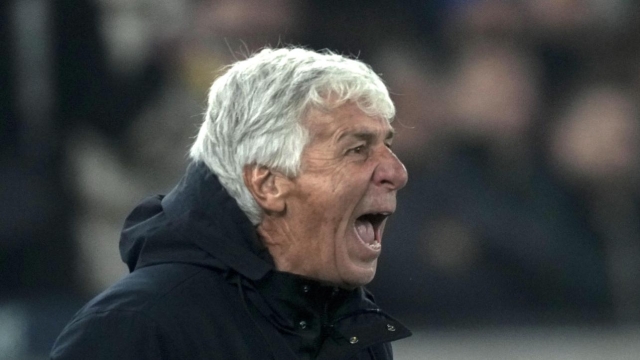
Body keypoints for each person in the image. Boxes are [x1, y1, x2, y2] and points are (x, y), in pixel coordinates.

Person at [50, 47, 411, 360]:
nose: (397, 172)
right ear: (268, 183)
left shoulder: (352, 328)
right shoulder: (132, 328)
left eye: (387, 145)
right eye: (357, 149)